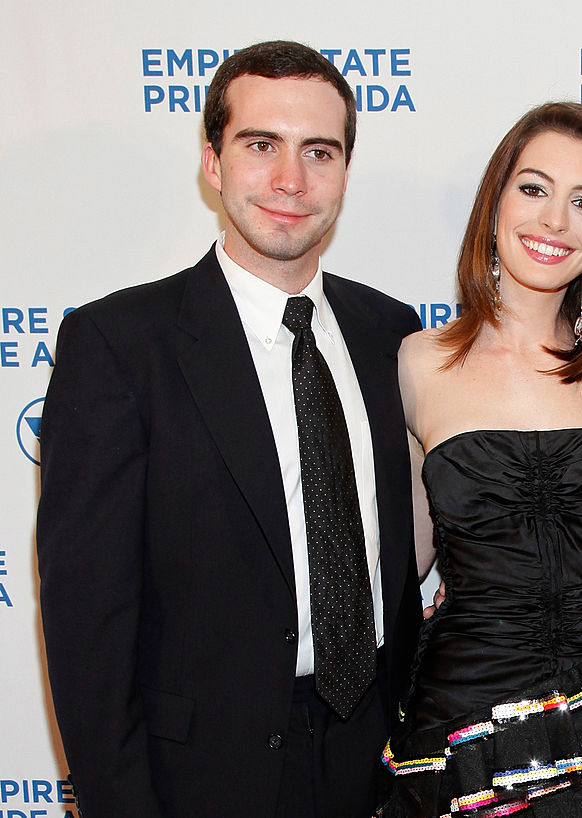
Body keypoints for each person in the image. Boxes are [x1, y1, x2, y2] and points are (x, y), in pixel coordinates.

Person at [36, 40, 423, 818]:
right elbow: (88, 625)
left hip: (376, 765)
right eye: (260, 146)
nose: (291, 180)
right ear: (212, 162)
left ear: (346, 168)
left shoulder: (393, 335)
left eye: (320, 151)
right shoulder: (119, 346)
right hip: (198, 781)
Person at [380, 102, 582, 817]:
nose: (554, 221)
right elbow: (394, 567)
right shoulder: (417, 365)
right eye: (534, 188)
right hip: (464, 725)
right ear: (495, 202)